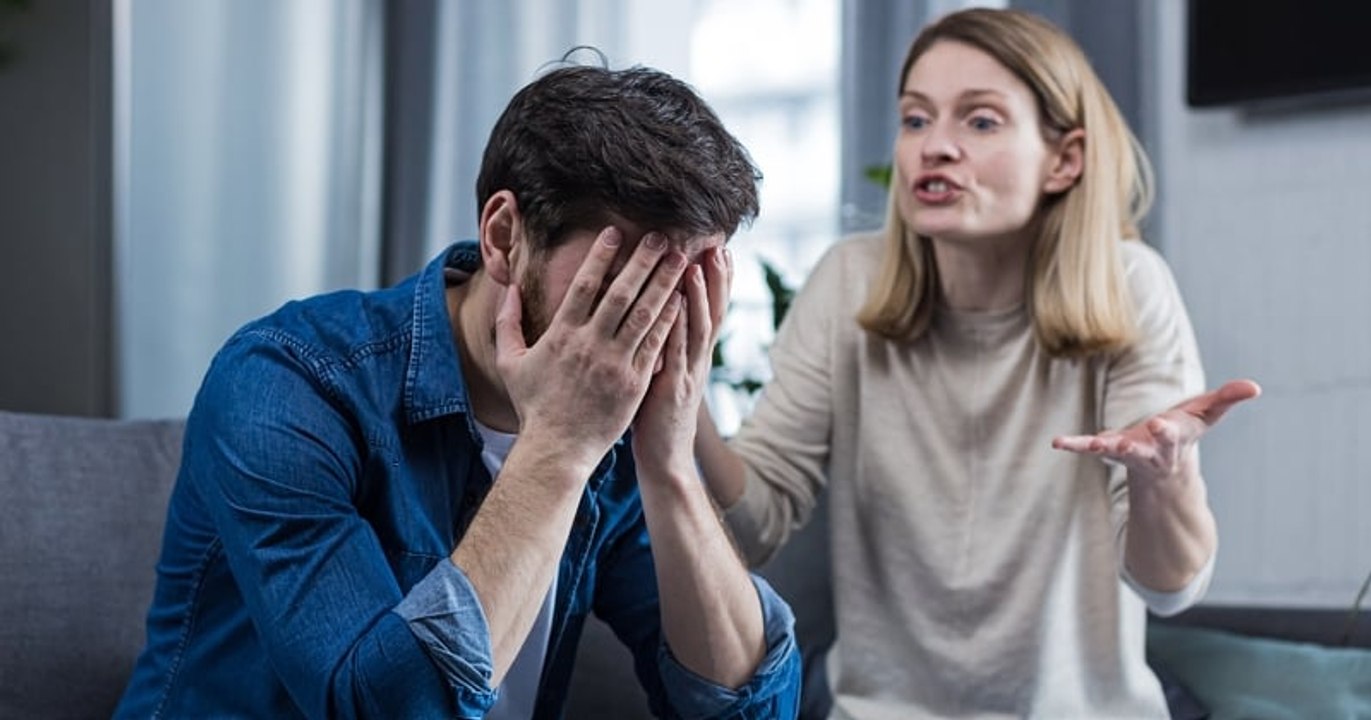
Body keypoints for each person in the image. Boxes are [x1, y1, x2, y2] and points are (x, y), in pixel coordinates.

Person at [115, 61, 801, 719]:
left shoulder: (619, 419)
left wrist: (670, 463)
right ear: (504, 236)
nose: (648, 319)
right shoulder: (287, 380)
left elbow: (753, 711)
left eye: (685, 283)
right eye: (622, 280)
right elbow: (392, 708)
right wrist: (559, 445)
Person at [694, 8, 1260, 719]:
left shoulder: (1129, 285)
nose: (936, 147)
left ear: (1065, 159)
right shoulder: (847, 283)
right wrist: (685, 409)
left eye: (980, 122)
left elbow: (1169, 587)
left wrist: (1162, 478)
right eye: (915, 120)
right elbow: (753, 525)